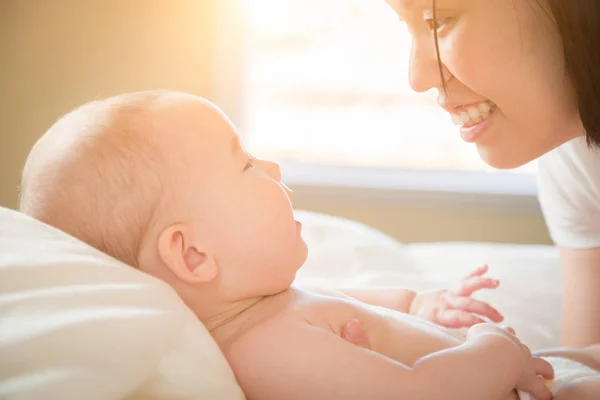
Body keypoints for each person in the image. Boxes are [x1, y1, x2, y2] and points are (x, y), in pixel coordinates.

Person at [19, 90, 600, 399]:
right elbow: (419, 394)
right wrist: (491, 350)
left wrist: (425, 307)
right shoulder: (263, 350)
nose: (270, 165)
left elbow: (378, 308)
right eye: (244, 163)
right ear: (193, 255)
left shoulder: (273, 301)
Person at [378, 0, 600, 348]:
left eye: (438, 22)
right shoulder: (575, 156)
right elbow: (586, 363)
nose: (418, 78)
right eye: (409, 28)